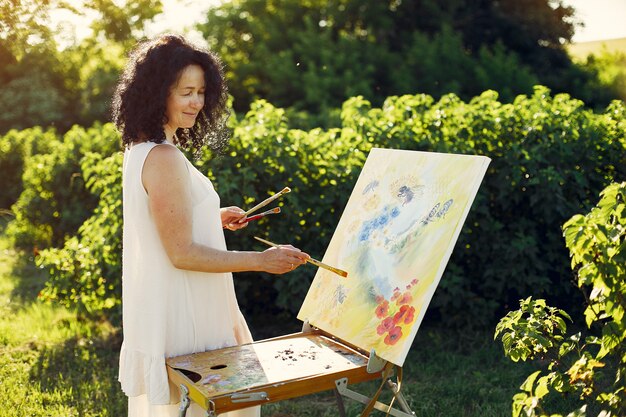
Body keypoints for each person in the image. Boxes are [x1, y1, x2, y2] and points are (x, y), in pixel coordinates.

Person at [111, 34, 310, 417]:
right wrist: (262, 260)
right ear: (158, 93)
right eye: (186, 92)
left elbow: (159, 225)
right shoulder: (164, 156)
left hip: (181, 304)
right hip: (189, 313)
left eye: (202, 92)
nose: (197, 102)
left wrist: (210, 218)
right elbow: (181, 253)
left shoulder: (141, 149)